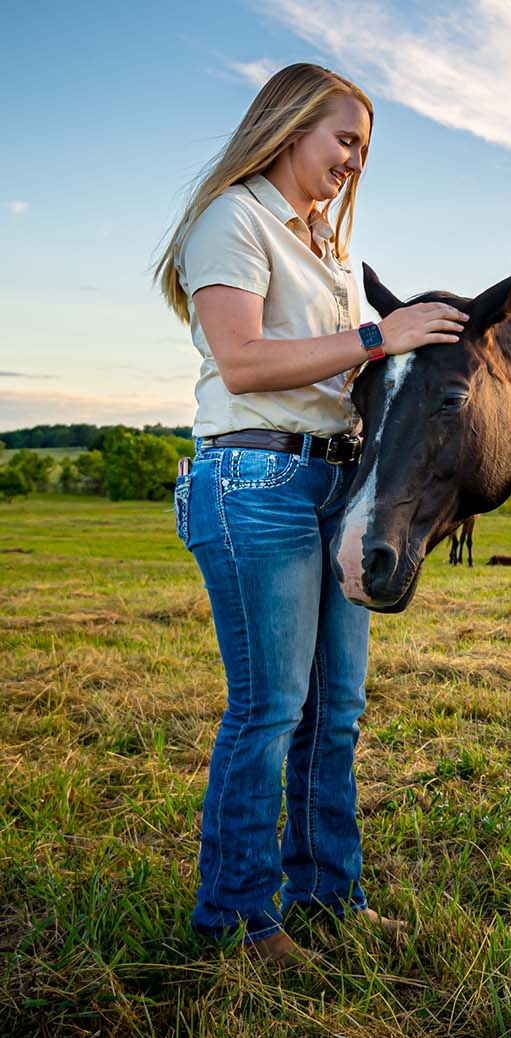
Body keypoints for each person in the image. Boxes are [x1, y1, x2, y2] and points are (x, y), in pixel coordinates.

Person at [154, 62, 468, 966]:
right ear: (290, 126)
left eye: (363, 151)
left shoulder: (327, 248)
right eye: (344, 141)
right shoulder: (234, 220)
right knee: (268, 712)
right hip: (255, 482)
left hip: (335, 487)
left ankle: (330, 895)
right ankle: (239, 920)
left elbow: (340, 377)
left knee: (335, 714)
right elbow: (246, 362)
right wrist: (380, 333)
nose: (353, 162)